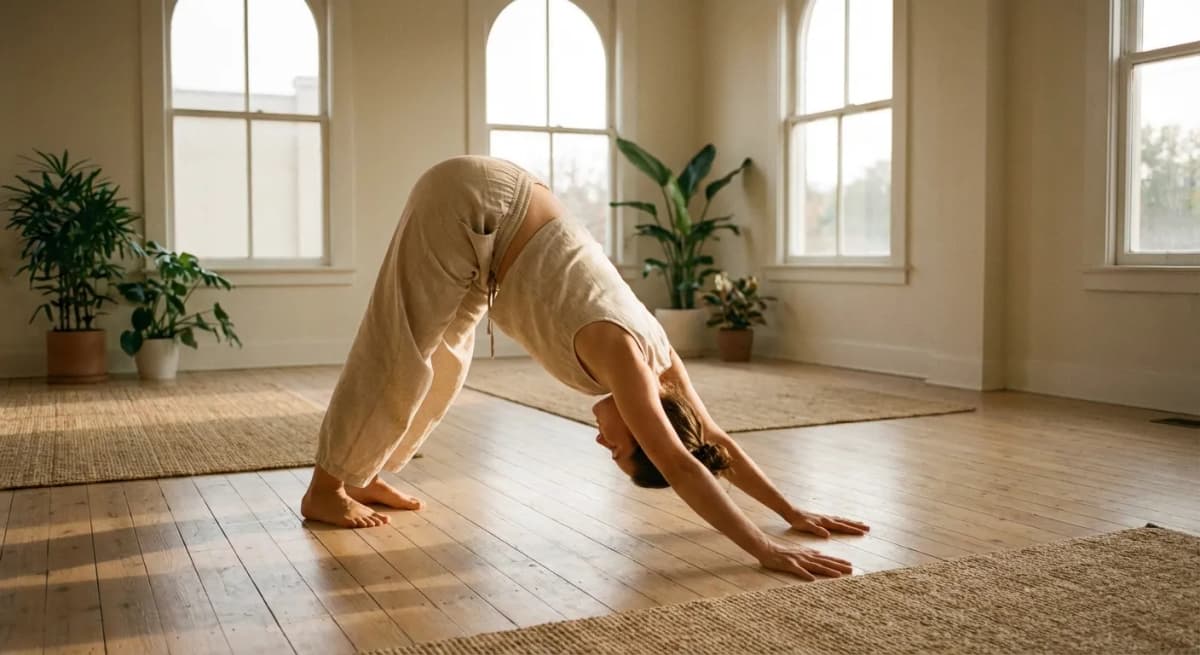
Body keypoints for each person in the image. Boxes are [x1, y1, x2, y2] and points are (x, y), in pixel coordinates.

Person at [301, 155, 870, 579]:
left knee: (444, 358)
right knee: (398, 347)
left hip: (497, 220)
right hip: (478, 205)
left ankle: (361, 472)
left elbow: (711, 442)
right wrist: (764, 548)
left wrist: (790, 510)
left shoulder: (662, 365)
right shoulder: (626, 362)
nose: (603, 444)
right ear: (645, 425)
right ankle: (326, 488)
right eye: (620, 450)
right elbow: (680, 463)